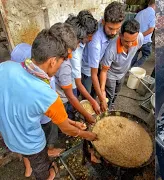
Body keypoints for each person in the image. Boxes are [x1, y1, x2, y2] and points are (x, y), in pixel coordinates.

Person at [0, 23, 97, 180]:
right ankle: (48, 175)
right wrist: (88, 135)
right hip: (32, 145)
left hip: (9, 137)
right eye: (60, 62)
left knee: (28, 156)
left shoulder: (5, 67)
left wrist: (72, 123)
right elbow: (66, 130)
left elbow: (63, 122)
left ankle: (28, 168)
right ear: (52, 61)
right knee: (42, 169)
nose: (60, 66)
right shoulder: (48, 96)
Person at [10, 43, 65, 177]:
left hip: (20, 131)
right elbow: (64, 124)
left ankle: (28, 168)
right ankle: (48, 172)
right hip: (38, 123)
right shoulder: (40, 82)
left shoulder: (17, 77)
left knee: (27, 149)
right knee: (38, 150)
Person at [53, 11, 98, 125]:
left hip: (64, 84)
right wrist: (88, 113)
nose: (78, 46)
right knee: (67, 106)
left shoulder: (66, 51)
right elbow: (71, 94)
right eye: (89, 36)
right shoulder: (69, 60)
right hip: (64, 90)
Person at [81, 1, 125, 111]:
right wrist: (102, 99)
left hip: (97, 64)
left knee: (96, 91)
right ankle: (86, 116)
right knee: (87, 96)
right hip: (87, 70)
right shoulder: (95, 42)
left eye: (117, 28)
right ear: (104, 22)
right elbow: (93, 73)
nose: (114, 32)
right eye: (110, 28)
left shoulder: (110, 30)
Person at [99, 19, 144, 108]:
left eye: (133, 40)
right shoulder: (111, 50)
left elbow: (139, 47)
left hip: (123, 73)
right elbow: (104, 71)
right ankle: (107, 109)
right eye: (126, 41)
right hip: (111, 75)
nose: (130, 44)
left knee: (117, 92)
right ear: (120, 35)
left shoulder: (140, 38)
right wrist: (102, 91)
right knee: (110, 95)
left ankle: (111, 104)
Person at [66, 10, 101, 116]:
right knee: (71, 103)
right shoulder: (74, 52)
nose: (91, 39)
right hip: (70, 82)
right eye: (89, 36)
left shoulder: (81, 40)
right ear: (81, 33)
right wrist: (93, 101)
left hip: (73, 76)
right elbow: (78, 83)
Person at [131, 0, 156, 67]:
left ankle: (131, 69)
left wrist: (137, 36)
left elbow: (133, 26)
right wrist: (140, 36)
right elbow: (151, 30)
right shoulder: (153, 14)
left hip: (136, 40)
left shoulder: (139, 13)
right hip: (145, 41)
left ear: (148, 4)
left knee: (134, 54)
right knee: (147, 55)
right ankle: (134, 68)